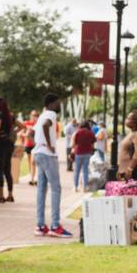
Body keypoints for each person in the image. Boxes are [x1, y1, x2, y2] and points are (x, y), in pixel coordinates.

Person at [32, 93, 72, 238]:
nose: (58, 106)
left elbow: (33, 132)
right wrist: (49, 145)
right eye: (57, 103)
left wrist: (42, 143)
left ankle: (41, 225)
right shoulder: (51, 114)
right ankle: (55, 225)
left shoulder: (42, 114)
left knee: (41, 190)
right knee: (56, 188)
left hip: (38, 152)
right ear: (50, 104)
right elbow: (44, 126)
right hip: (47, 155)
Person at [0, 98, 23, 203]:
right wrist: (11, 132)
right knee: (7, 170)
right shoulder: (10, 117)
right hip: (9, 145)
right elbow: (22, 126)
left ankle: (1, 196)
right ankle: (10, 195)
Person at [71, 121, 96, 192]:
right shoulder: (90, 132)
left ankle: (75, 187)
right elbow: (93, 143)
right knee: (85, 170)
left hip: (78, 153)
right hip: (87, 153)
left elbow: (73, 144)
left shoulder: (77, 132)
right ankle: (85, 187)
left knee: (77, 170)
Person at [23, 110, 39, 185]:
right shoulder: (26, 123)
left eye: (36, 115)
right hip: (28, 145)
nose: (34, 117)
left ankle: (34, 178)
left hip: (35, 145)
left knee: (34, 161)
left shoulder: (38, 124)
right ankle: (32, 177)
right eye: (33, 115)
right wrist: (25, 135)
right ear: (30, 115)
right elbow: (21, 133)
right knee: (30, 162)